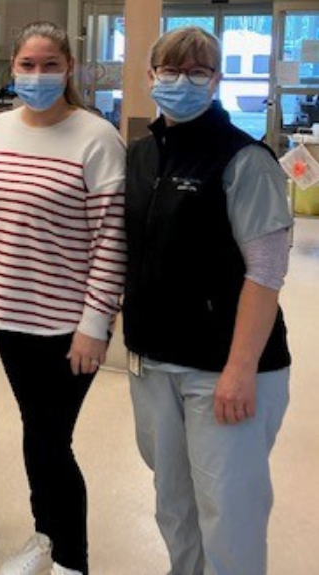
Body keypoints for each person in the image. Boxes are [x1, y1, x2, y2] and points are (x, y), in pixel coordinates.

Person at [125, 26, 292, 575]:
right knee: (173, 502)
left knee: (230, 510)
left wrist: (240, 369)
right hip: (154, 363)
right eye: (171, 71)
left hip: (226, 369)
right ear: (150, 77)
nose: (183, 82)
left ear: (216, 80)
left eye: (198, 71)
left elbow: (266, 271)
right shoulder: (142, 157)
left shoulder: (244, 159)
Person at [0, 22, 126, 575]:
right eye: (27, 65)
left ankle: (72, 560)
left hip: (67, 328)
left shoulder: (96, 136)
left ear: (69, 69)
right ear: (12, 68)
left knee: (49, 441)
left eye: (49, 65)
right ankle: (46, 538)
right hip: (10, 318)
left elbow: (112, 236)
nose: (38, 76)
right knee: (38, 436)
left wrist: (95, 322)